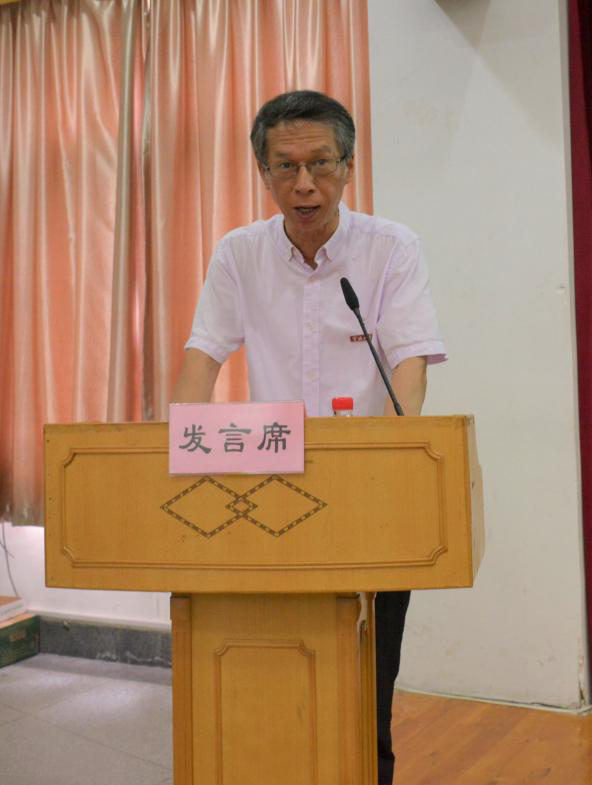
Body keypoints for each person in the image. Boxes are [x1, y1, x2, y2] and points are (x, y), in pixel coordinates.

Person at [172, 89, 447, 784]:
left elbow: (409, 368)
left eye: (321, 163)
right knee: (269, 678)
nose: (304, 184)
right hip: (268, 499)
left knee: (364, 689)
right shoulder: (239, 254)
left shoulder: (391, 249)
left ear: (348, 166)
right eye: (285, 166)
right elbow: (202, 357)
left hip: (370, 502)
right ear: (263, 172)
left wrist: (391, 465)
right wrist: (176, 452)